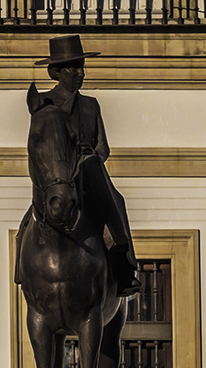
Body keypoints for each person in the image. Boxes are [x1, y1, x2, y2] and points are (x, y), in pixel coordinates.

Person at [17, 34, 142, 297]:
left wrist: (92, 153)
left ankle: (125, 267)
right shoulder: (44, 105)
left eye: (81, 67)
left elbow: (103, 147)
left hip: (87, 169)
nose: (79, 73)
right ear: (56, 72)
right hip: (56, 173)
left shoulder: (90, 106)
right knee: (31, 218)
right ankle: (22, 267)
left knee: (116, 200)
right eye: (73, 67)